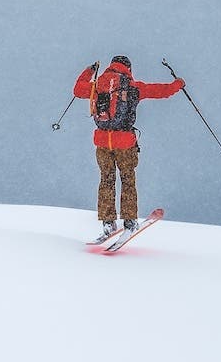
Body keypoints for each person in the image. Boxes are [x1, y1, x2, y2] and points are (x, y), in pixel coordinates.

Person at [71, 55, 184, 236]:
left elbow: (77, 89)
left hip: (102, 142)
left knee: (106, 180)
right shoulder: (133, 87)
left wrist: (90, 69)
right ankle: (130, 221)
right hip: (124, 143)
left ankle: (108, 223)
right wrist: (178, 84)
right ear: (128, 69)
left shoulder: (97, 85)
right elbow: (162, 91)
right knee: (127, 180)